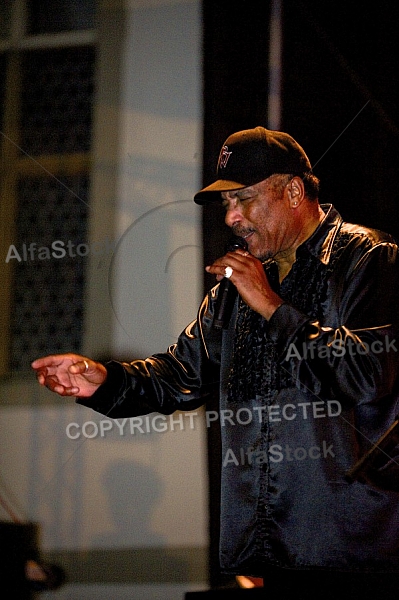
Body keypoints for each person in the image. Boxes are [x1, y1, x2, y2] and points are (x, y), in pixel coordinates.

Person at [32, 127, 399, 598]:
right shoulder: (236, 288)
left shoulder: (369, 258)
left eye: (244, 199)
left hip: (354, 548)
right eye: (226, 205)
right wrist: (104, 381)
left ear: (292, 191)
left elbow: (367, 374)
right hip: (272, 549)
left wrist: (273, 307)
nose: (231, 217)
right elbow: (181, 376)